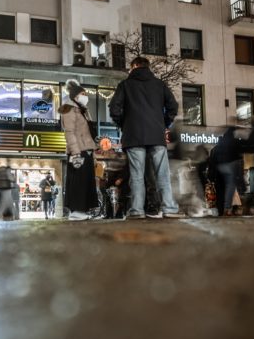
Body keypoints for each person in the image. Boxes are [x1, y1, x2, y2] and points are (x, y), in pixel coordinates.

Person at [109, 57, 185, 219]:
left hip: (134, 136)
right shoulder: (159, 84)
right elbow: (173, 106)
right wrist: (163, 124)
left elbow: (114, 109)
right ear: (147, 66)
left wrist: (125, 124)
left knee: (137, 175)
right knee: (162, 173)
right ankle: (169, 208)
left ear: (134, 66)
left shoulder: (125, 85)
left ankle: (137, 210)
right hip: (156, 135)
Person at [60, 79, 98, 221]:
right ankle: (76, 210)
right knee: (78, 181)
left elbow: (88, 133)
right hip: (78, 150)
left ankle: (82, 210)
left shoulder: (81, 110)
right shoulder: (69, 109)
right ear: (75, 96)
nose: (85, 96)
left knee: (85, 181)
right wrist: (75, 151)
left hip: (86, 149)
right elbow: (69, 132)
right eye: (83, 93)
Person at [210, 127, 244, 216]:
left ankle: (221, 210)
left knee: (220, 191)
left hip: (219, 172)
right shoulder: (234, 143)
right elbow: (238, 160)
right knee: (230, 186)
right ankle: (227, 208)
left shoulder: (216, 148)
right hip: (229, 168)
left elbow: (212, 162)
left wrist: (211, 175)